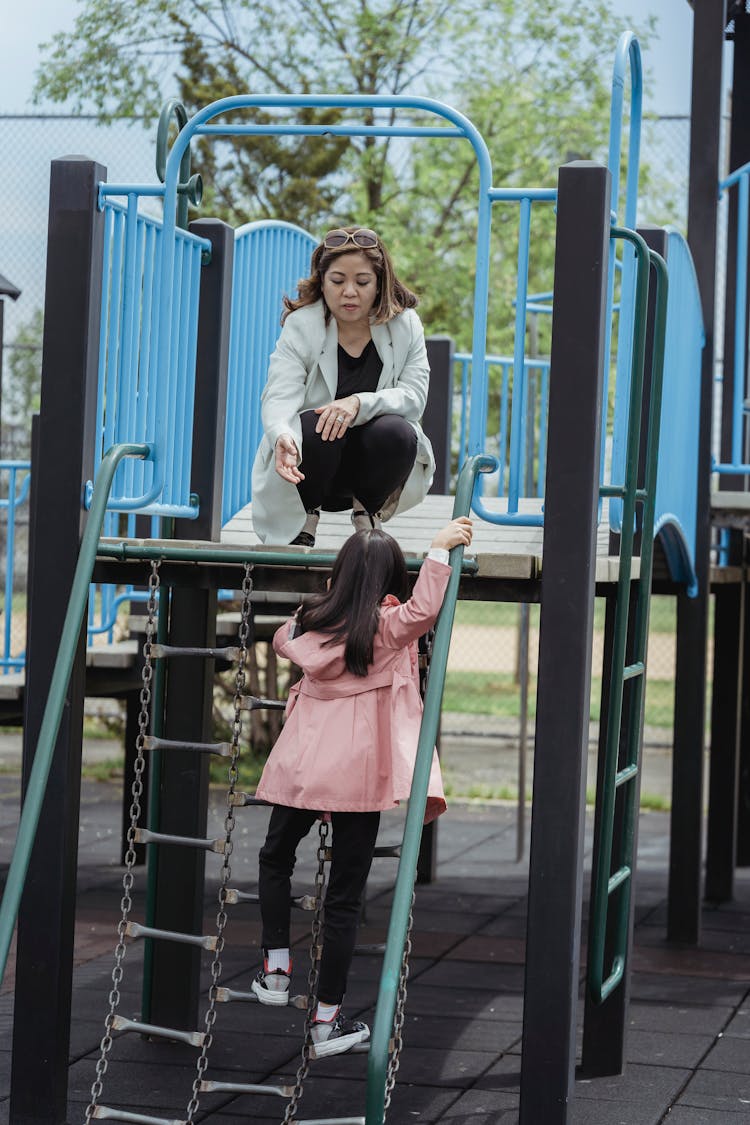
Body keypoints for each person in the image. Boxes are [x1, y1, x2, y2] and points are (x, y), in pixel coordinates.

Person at [250, 516, 473, 1056]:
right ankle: (327, 1021)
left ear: (340, 576)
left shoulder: (307, 623)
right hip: (357, 777)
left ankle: (276, 967)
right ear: (391, 579)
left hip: (303, 769)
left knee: (275, 857)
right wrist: (438, 550)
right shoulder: (387, 627)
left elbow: (283, 638)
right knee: (344, 901)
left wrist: (324, 601)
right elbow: (422, 610)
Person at [250, 226, 436, 546]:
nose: (349, 291)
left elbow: (414, 398)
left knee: (399, 431)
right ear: (322, 282)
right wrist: (281, 433)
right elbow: (280, 393)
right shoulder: (302, 325)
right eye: (337, 281)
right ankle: (306, 518)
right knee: (316, 423)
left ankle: (367, 514)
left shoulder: (405, 325)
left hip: (371, 469)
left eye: (362, 282)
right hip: (310, 470)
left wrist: (357, 404)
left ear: (379, 284)